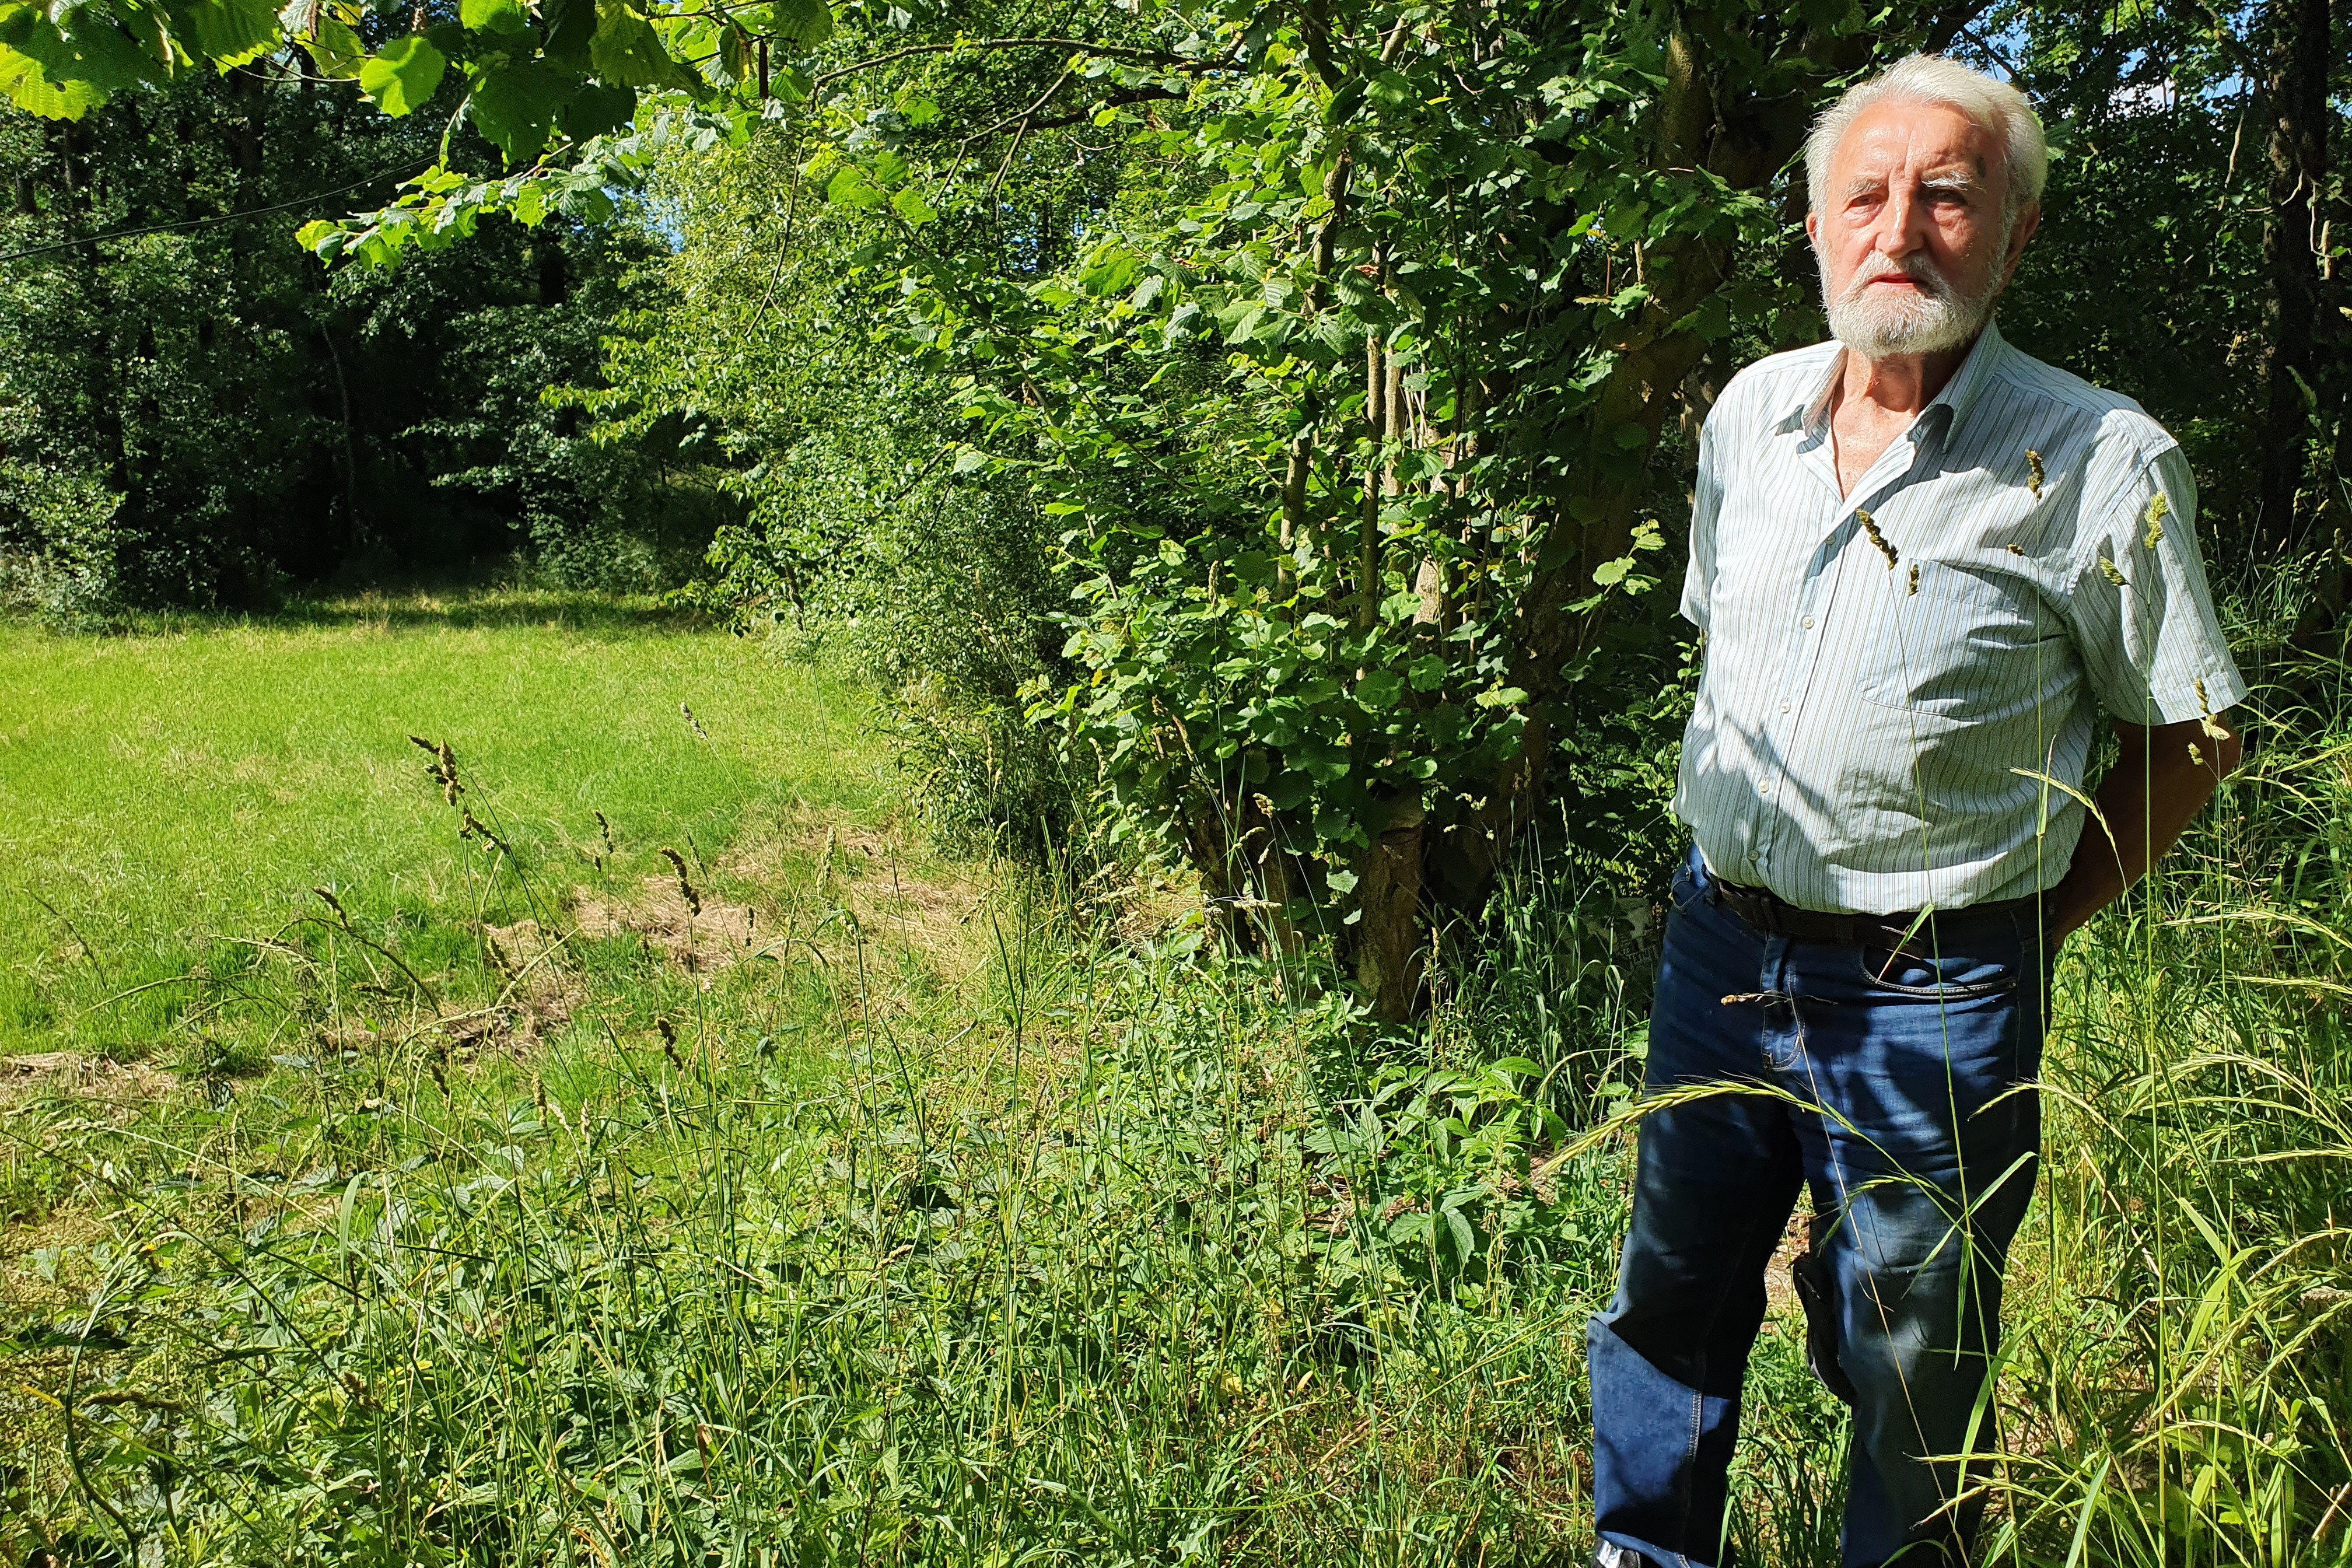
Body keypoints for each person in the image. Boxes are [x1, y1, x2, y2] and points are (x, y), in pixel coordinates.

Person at [1586, 54, 2246, 1568]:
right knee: (1671, 1297)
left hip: (1938, 985)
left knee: (1910, 1361)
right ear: (1816, 225)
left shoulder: (2098, 458)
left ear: (2015, 231)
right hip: (1717, 952)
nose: (1899, 229)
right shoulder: (1750, 417)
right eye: (1865, 195)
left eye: (1946, 195)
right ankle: (1646, 1551)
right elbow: (1726, 649)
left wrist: (2036, 919)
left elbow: (2196, 733)